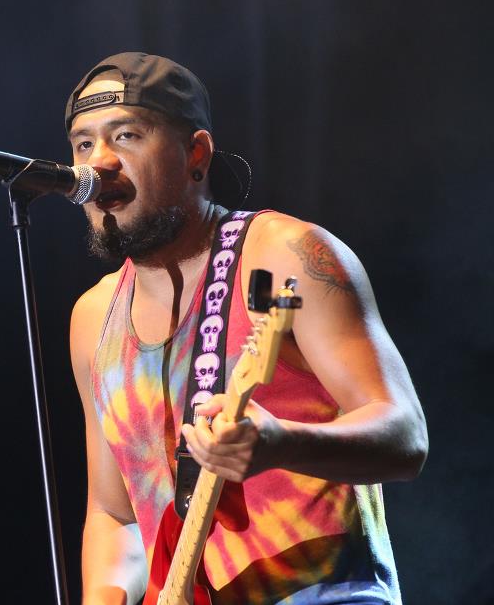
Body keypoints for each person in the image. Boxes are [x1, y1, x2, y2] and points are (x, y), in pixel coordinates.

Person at [66, 53, 428, 605]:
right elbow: (116, 515)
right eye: (83, 144)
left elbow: (405, 436)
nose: (99, 163)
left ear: (196, 154)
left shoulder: (287, 255)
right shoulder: (93, 318)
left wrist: (283, 442)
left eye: (127, 136)